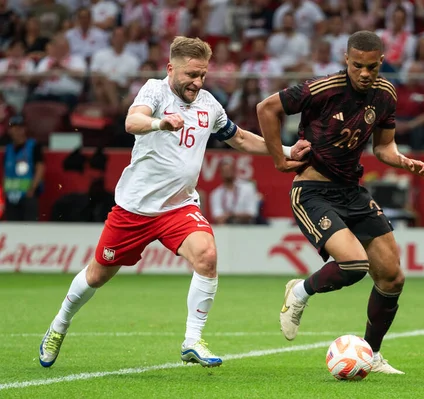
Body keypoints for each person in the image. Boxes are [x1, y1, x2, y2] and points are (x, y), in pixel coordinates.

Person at [38, 36, 310, 369]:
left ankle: (192, 340)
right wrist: (160, 123)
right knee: (97, 275)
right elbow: (131, 121)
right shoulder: (154, 91)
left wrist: (283, 151)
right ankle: (59, 325)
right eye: (191, 75)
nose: (197, 82)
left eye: (203, 75)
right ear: (171, 68)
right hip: (134, 209)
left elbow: (238, 138)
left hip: (179, 207)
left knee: (207, 256)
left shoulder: (209, 104)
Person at [256, 31, 424, 374]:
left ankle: (373, 354)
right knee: (355, 265)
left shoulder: (385, 94)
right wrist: (279, 159)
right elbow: (267, 107)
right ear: (346, 60)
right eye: (357, 66)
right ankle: (300, 292)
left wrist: (404, 161)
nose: (364, 73)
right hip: (313, 191)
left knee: (392, 277)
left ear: (381, 62)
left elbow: (384, 148)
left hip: (352, 192)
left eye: (371, 66)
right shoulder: (322, 89)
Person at [2, 115, 44, 221]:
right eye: (14, 127)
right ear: (9, 130)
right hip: (11, 195)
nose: (17, 131)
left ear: (25, 129)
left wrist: (32, 188)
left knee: (29, 226)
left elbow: (40, 168)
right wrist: (4, 191)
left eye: (20, 127)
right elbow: (5, 171)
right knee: (12, 227)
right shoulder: (8, 149)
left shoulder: (33, 146)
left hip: (27, 194)